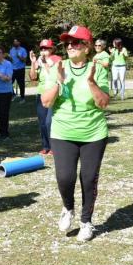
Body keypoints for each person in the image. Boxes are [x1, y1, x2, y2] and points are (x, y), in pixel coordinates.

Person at [41, 25, 110, 242]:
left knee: (88, 179)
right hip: (63, 131)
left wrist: (90, 82)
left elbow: (103, 103)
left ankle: (86, 222)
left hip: (94, 133)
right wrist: (59, 82)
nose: (70, 46)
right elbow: (46, 102)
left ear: (87, 47)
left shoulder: (98, 69)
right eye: (67, 43)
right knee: (65, 177)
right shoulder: (58, 68)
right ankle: (67, 209)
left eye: (76, 42)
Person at [29, 39, 62, 154]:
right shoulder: (39, 60)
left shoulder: (57, 59)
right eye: (42, 49)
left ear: (52, 49)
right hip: (41, 94)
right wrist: (33, 62)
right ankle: (46, 146)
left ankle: (54, 146)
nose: (43, 51)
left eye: (46, 48)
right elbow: (33, 78)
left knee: (50, 122)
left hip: (53, 94)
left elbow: (56, 73)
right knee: (42, 122)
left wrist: (44, 62)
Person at [9, 38, 28, 103]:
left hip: (21, 69)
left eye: (16, 41)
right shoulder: (11, 50)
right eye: (14, 42)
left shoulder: (23, 50)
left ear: (19, 42)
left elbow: (25, 60)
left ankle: (22, 98)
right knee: (9, 82)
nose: (14, 43)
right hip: (13, 69)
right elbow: (11, 59)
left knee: (21, 84)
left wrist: (19, 57)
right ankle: (13, 94)